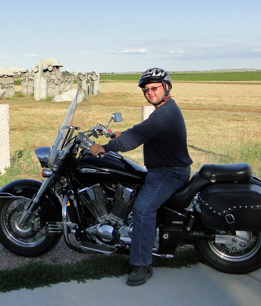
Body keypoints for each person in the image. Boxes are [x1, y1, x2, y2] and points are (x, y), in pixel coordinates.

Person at [89, 68, 193, 286]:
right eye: (146, 90)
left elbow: (134, 139)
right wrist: (118, 133)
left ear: (167, 88)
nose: (150, 93)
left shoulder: (166, 113)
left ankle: (142, 264)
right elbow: (143, 131)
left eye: (154, 88)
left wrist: (106, 148)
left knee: (143, 208)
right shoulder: (165, 111)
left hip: (169, 172)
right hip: (164, 169)